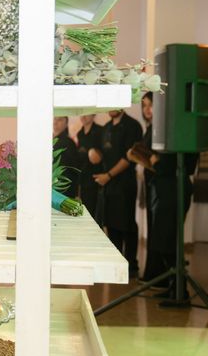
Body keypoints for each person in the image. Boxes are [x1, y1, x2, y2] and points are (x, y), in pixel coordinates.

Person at [129, 92, 198, 296]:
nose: (147, 110)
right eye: (144, 106)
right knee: (163, 240)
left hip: (173, 188)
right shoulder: (155, 129)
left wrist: (154, 160)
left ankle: (179, 290)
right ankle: (173, 287)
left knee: (167, 240)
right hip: (161, 187)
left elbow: (177, 162)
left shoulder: (174, 129)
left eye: (151, 105)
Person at [93, 109, 143, 278]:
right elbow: (102, 153)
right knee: (111, 223)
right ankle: (116, 264)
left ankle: (131, 265)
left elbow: (128, 158)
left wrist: (108, 176)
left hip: (125, 183)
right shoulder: (106, 127)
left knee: (126, 224)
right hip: (108, 184)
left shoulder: (132, 126)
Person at [76, 114, 103, 222]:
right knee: (85, 213)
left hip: (96, 178)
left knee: (95, 215)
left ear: (94, 115)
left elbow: (100, 157)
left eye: (87, 113)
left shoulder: (100, 131)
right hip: (83, 179)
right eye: (82, 113)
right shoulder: (80, 133)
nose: (84, 116)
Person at [53, 116, 78, 198]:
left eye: (59, 119)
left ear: (66, 123)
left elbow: (74, 169)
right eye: (54, 119)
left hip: (64, 189)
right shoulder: (49, 140)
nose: (55, 122)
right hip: (52, 187)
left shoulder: (69, 143)